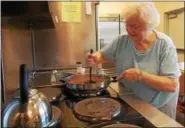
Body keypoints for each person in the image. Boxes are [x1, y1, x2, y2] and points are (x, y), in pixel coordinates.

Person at [86, 2, 181, 119]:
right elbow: (103, 55)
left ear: (149, 25)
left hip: (159, 105)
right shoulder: (122, 40)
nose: (129, 30)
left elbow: (171, 85)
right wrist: (96, 57)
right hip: (131, 101)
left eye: (135, 26)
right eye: (127, 25)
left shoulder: (164, 44)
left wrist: (140, 76)